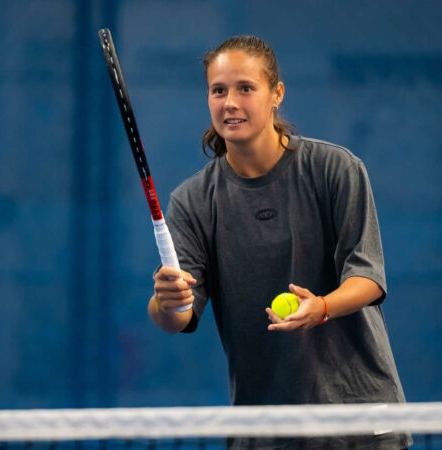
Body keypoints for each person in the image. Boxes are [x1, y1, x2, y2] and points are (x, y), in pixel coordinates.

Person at [148, 35, 411, 449]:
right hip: (266, 429)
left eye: (245, 88)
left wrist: (321, 307)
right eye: (218, 90)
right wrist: (166, 299)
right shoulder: (194, 200)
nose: (229, 102)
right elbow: (177, 317)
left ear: (277, 94)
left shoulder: (335, 170)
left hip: (359, 419)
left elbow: (369, 278)